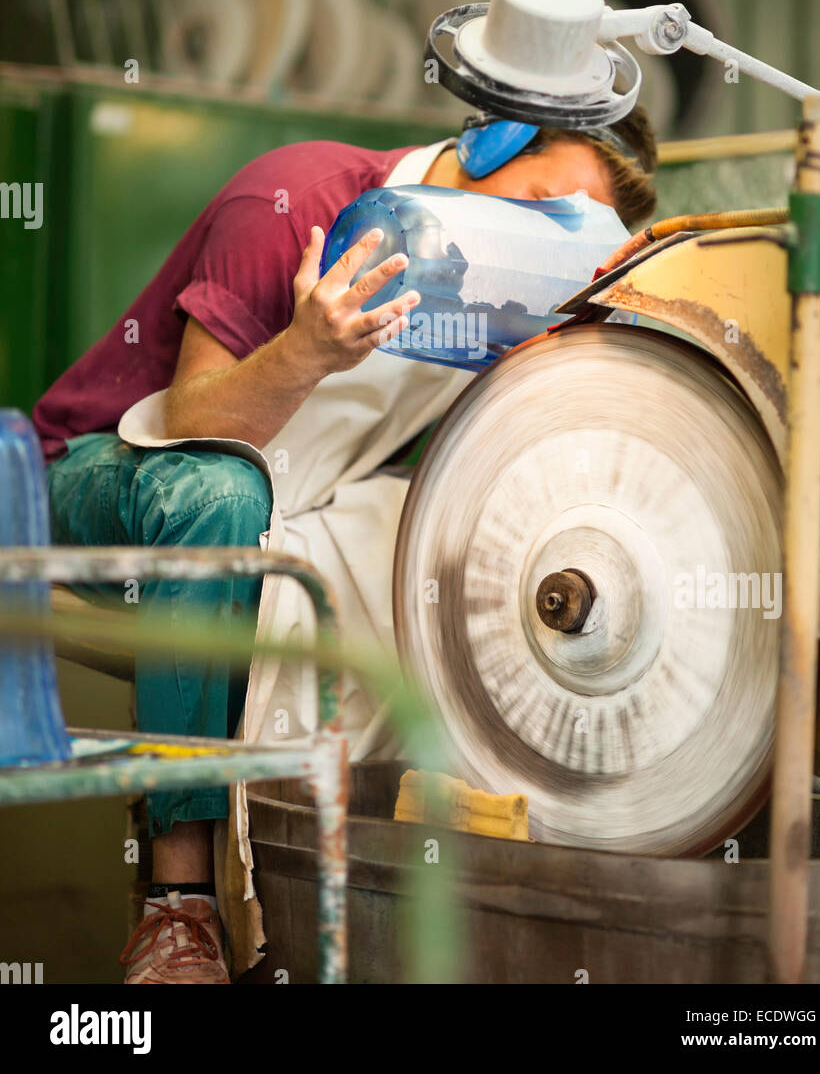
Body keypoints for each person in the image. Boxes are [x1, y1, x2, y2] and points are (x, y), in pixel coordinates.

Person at [33, 104, 657, 984]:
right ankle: (179, 910)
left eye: (572, 236)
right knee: (221, 493)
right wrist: (306, 351)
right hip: (107, 466)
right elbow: (189, 427)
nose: (543, 245)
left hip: (287, 493)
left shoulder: (501, 289)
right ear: (490, 146)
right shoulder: (300, 199)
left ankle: (324, 896)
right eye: (543, 201)